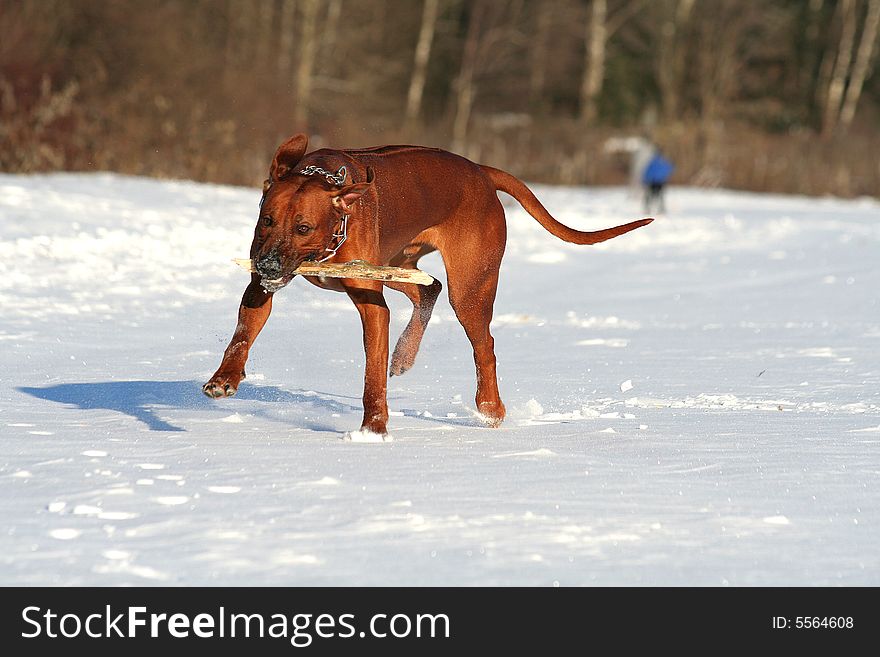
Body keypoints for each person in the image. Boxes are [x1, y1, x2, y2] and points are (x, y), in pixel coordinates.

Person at [642, 148, 674, 213]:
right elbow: (670, 168)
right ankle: (660, 209)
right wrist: (665, 176)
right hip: (660, 181)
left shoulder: (652, 162)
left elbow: (647, 171)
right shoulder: (664, 162)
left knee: (650, 196)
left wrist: (645, 180)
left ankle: (648, 209)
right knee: (659, 196)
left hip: (652, 181)